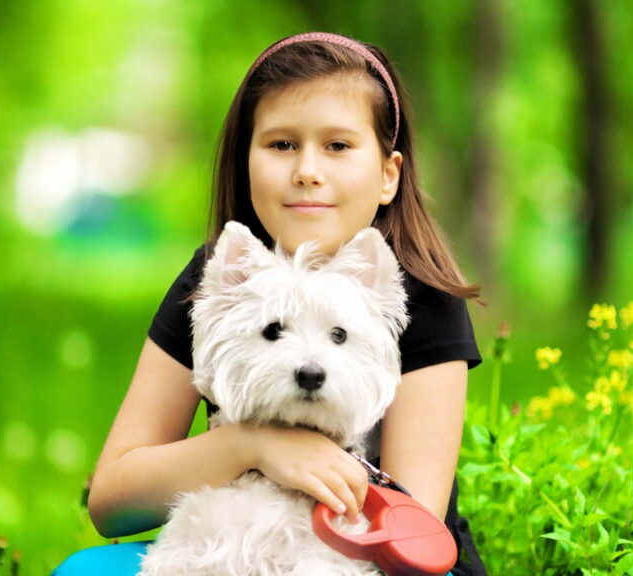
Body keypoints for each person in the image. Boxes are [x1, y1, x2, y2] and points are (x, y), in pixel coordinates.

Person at [54, 31, 484, 575]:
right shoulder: (222, 276)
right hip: (237, 546)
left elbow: (407, 531)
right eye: (282, 145)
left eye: (338, 146)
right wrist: (255, 447)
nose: (307, 169)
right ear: (246, 163)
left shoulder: (423, 293)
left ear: (387, 175)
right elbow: (112, 501)